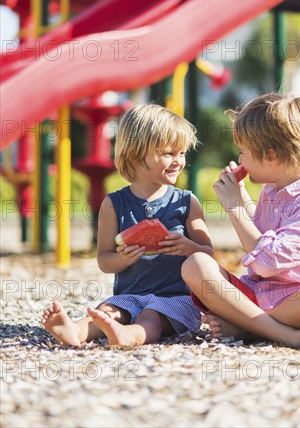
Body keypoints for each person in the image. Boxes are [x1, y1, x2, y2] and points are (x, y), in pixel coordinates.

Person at [182, 92, 300, 348]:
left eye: (244, 153)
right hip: (257, 294)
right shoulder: (273, 187)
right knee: (195, 265)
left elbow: (266, 261)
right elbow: (263, 236)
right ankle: (276, 331)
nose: (241, 160)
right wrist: (241, 200)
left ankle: (251, 327)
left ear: (271, 156)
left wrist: (234, 209)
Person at [41, 104, 213, 348]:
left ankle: (127, 336)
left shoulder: (186, 202)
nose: (178, 161)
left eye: (182, 153)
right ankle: (73, 331)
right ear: (135, 153)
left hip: (175, 299)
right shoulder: (113, 204)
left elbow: (209, 254)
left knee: (150, 318)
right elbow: (104, 260)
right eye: (169, 153)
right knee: (105, 312)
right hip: (129, 296)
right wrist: (124, 259)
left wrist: (188, 247)